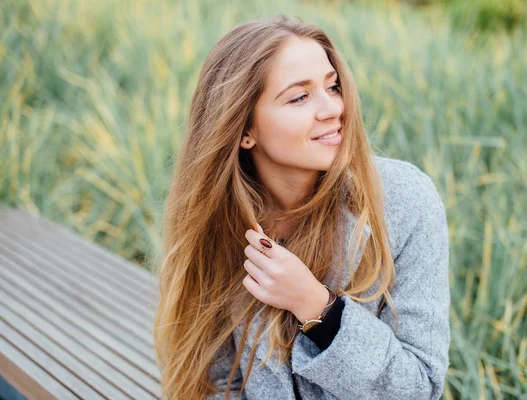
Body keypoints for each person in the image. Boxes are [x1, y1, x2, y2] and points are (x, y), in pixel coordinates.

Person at [153, 13, 450, 400]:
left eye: (333, 87)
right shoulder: (220, 219)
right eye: (300, 96)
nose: (332, 109)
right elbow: (213, 382)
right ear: (243, 130)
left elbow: (420, 388)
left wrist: (318, 308)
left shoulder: (403, 201)